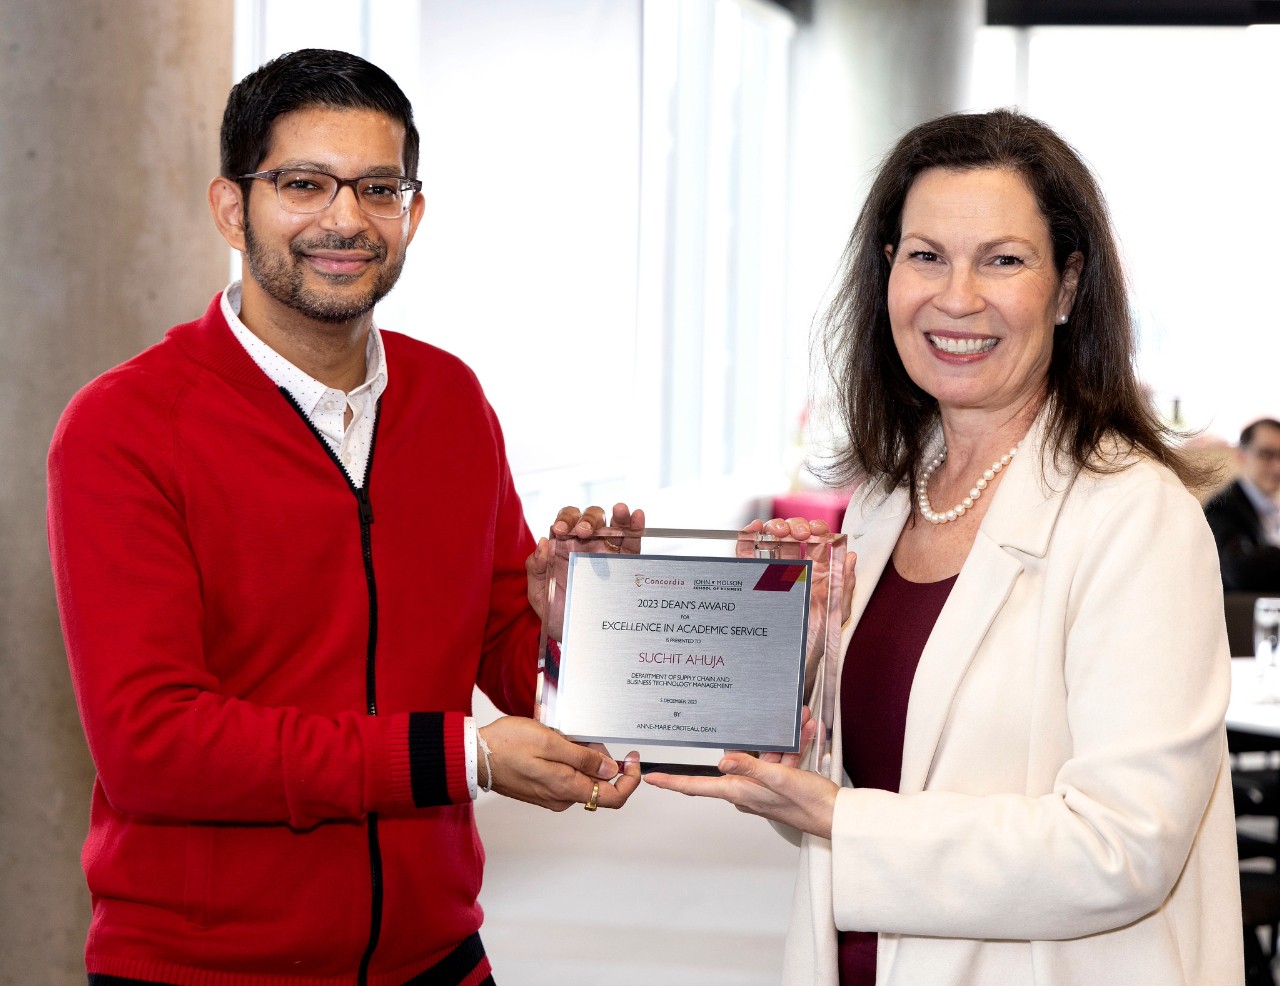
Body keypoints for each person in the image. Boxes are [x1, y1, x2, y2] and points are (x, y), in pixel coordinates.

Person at [46, 48, 639, 986]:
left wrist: (576, 629)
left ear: (414, 211)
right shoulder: (124, 427)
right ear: (230, 208)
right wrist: (457, 757)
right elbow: (153, 747)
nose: (346, 219)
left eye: (378, 188)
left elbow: (507, 658)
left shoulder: (449, 399)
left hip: (439, 957)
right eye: (303, 184)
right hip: (204, 969)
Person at [644, 109, 1242, 984]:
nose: (957, 297)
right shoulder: (886, 500)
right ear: (887, 272)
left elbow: (1123, 847)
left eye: (1004, 260)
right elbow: (842, 792)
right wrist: (768, 673)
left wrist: (844, 821)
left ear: (1068, 288)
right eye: (926, 255)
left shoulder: (1133, 516)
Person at [1204, 418, 1280, 591]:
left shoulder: (1272, 507)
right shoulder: (1222, 507)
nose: (1277, 467)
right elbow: (1236, 571)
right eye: (1267, 455)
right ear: (1241, 455)